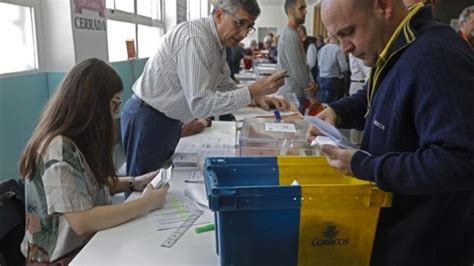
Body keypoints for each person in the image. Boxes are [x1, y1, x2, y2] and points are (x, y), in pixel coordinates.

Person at [308, 1, 474, 265]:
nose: (344, 48)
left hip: (422, 245)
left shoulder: (435, 56)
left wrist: (365, 165)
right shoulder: (397, 47)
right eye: (337, 37)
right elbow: (379, 94)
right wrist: (337, 112)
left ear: (383, 6)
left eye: (348, 32)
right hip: (393, 231)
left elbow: (460, 160)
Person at [19, 59, 169, 264]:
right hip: (61, 259)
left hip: (83, 249)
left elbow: (85, 185)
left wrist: (134, 181)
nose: (115, 112)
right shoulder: (57, 148)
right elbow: (82, 220)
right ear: (93, 105)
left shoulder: (74, 140)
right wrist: (147, 203)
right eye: (114, 104)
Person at [121, 0, 289, 178]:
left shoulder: (217, 45)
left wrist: (256, 98)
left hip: (168, 120)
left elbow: (224, 85)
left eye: (249, 27)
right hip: (149, 118)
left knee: (159, 183)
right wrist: (252, 92)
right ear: (218, 15)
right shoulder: (197, 39)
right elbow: (200, 105)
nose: (243, 34)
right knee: (141, 187)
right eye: (239, 23)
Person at [277, 0, 317, 113]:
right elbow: (299, 70)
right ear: (290, 11)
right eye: (301, 8)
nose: (305, 11)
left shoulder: (291, 33)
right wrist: (310, 95)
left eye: (305, 8)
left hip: (293, 93)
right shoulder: (290, 36)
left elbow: (302, 66)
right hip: (293, 96)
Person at [317, 35, 349, 103]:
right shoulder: (338, 49)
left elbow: (319, 64)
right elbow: (344, 67)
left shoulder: (322, 49)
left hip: (321, 78)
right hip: (332, 79)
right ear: (338, 38)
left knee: (321, 102)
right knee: (331, 104)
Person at [348, 53, 369, 146]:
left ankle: (354, 141)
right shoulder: (358, 54)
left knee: (355, 113)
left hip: (355, 83)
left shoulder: (352, 54)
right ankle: (356, 142)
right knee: (359, 112)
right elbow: (368, 73)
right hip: (360, 84)